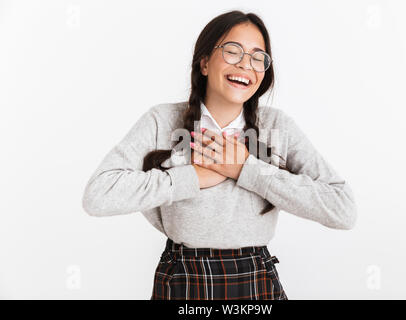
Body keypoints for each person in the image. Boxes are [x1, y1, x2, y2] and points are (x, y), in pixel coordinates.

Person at [82, 10, 357, 300]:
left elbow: (343, 209)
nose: (245, 65)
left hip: (255, 280)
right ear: (204, 62)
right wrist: (191, 177)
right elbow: (98, 195)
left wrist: (245, 169)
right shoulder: (161, 121)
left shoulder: (277, 127)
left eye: (257, 57)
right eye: (232, 51)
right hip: (182, 278)